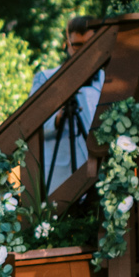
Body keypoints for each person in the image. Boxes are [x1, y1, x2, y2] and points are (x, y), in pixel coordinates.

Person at [30, 15, 106, 195]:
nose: (82, 52)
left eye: (88, 45)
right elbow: (30, 125)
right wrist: (57, 119)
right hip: (60, 176)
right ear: (67, 44)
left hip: (99, 175)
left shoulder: (107, 80)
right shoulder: (45, 79)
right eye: (76, 45)